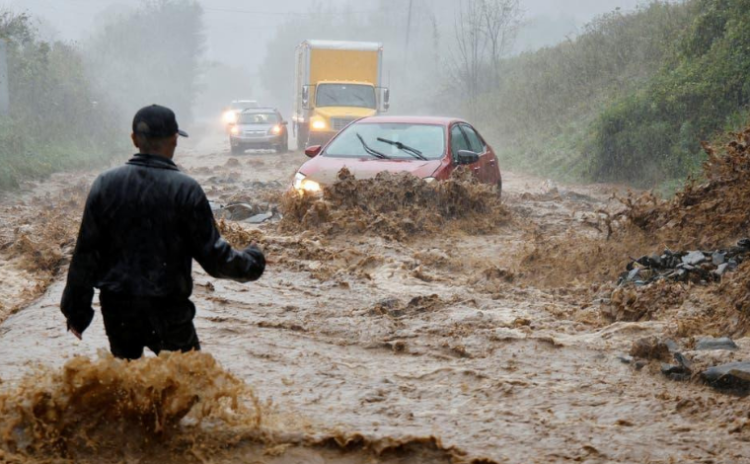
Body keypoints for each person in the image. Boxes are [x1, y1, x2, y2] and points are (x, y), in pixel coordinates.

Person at [60, 104, 265, 360]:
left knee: (127, 385)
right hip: (169, 310)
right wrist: (253, 260)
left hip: (118, 310)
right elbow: (214, 259)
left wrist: (76, 312)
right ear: (174, 140)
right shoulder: (186, 189)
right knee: (187, 386)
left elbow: (85, 254)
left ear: (134, 139)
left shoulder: (105, 184)